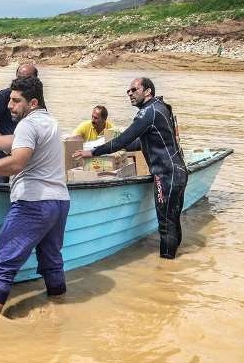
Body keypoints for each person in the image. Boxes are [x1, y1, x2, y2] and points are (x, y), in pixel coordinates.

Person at [0, 76, 70, 314]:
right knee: (51, 262)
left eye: (16, 101)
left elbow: (17, 163)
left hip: (33, 203)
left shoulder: (28, 124)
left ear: (33, 102)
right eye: (10, 100)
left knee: (3, 264)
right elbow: (18, 142)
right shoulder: (50, 122)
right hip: (59, 202)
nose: (9, 106)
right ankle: (59, 311)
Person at [74, 77, 187, 259]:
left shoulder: (148, 112)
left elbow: (123, 139)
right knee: (172, 221)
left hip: (166, 175)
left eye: (134, 90)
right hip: (176, 171)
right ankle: (173, 268)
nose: (130, 94)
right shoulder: (160, 108)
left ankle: (166, 269)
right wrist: (118, 149)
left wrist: (93, 152)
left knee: (166, 225)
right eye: (128, 91)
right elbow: (139, 142)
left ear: (148, 91)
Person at [0, 63, 38, 183]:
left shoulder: (37, 99)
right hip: (2, 148)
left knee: (29, 182)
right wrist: (3, 144)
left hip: (25, 146)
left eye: (26, 78)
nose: (22, 81)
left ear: (35, 80)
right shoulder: (5, 95)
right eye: (19, 77)